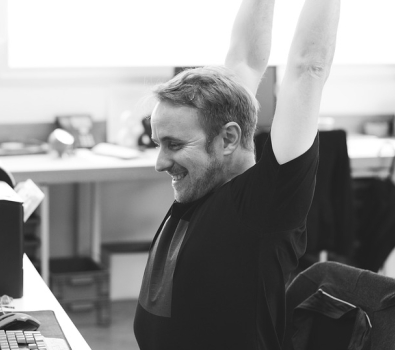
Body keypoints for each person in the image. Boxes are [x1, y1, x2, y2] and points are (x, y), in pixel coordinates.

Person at [133, 0, 340, 348]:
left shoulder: (263, 206)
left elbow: (309, 68)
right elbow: (244, 58)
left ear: (228, 138)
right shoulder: (205, 186)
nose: (160, 162)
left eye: (174, 144)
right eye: (158, 144)